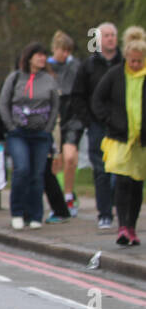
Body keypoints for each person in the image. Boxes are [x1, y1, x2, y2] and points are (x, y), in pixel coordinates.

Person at [91, 26, 146, 246]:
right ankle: (122, 226)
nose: (135, 65)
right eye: (132, 61)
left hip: (141, 142)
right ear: (126, 58)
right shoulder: (115, 75)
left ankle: (132, 227)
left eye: (139, 61)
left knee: (136, 185)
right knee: (122, 182)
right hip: (120, 138)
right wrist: (110, 120)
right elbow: (97, 100)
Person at [0, 43, 60, 230]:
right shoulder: (15, 77)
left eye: (44, 55)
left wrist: (48, 129)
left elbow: (56, 106)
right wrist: (10, 126)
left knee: (37, 175)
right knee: (22, 170)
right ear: (29, 57)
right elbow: (3, 103)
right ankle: (17, 212)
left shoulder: (49, 80)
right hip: (19, 133)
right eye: (39, 55)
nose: (43, 59)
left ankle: (35, 215)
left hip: (41, 135)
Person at [71, 22, 122, 232]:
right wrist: (88, 120)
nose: (110, 38)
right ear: (99, 40)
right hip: (97, 126)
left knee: (118, 171)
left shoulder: (126, 63)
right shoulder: (89, 66)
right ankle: (105, 213)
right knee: (101, 170)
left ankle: (117, 206)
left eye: (113, 35)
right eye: (106, 35)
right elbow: (78, 96)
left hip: (120, 127)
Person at [47, 31, 80, 215]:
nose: (66, 55)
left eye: (69, 51)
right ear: (55, 49)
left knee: (69, 158)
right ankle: (59, 199)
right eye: (63, 50)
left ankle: (68, 197)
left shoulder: (74, 66)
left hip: (72, 117)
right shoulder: (47, 67)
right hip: (53, 118)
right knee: (55, 161)